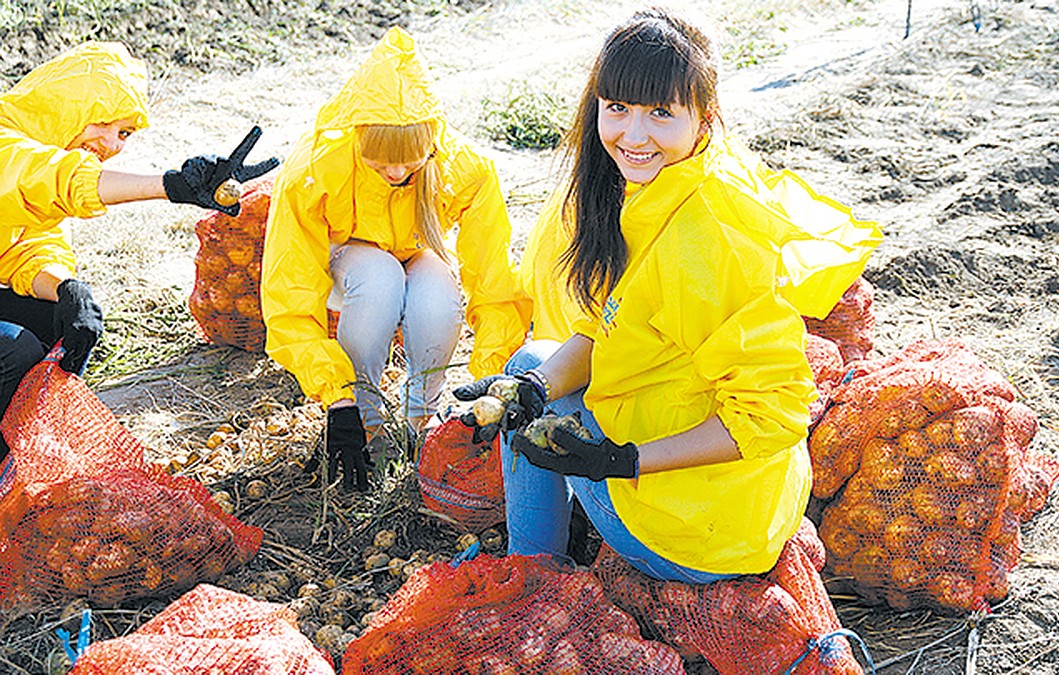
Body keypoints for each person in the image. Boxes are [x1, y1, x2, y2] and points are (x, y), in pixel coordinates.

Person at [456, 7, 881, 581]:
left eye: (661, 113)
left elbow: (775, 413)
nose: (633, 135)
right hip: (721, 493)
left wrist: (619, 462)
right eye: (618, 109)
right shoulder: (656, 193)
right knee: (532, 365)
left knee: (543, 389)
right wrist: (533, 389)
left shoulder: (709, 240)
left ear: (703, 119)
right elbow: (609, 329)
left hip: (701, 534)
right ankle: (539, 554)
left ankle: (533, 573)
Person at [260, 27, 531, 492]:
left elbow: (494, 281)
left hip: (417, 248)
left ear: (431, 142)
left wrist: (491, 375)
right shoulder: (314, 168)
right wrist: (334, 393)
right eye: (380, 161)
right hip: (349, 258)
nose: (396, 173)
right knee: (380, 277)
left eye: (409, 161)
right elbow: (290, 287)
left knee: (439, 294)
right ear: (357, 135)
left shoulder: (464, 168)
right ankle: (363, 417)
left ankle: (417, 424)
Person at [0, 41, 277, 463]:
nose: (111, 143)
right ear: (65, 106)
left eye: (124, 133)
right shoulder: (9, 141)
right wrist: (170, 187)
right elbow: (46, 181)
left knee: (62, 321)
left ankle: (16, 459)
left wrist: (65, 288)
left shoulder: (46, 157)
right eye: (102, 123)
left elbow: (29, 249)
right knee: (15, 349)